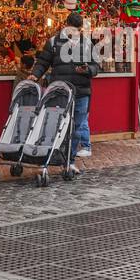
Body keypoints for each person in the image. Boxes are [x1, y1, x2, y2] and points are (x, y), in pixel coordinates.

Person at [32, 11, 100, 170]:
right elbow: (43, 62)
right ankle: (49, 160)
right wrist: (34, 75)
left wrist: (87, 69)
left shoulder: (87, 43)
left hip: (81, 92)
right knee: (54, 125)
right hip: (60, 92)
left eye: (77, 29)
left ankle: (69, 162)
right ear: (66, 25)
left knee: (75, 129)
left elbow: (96, 67)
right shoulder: (54, 42)